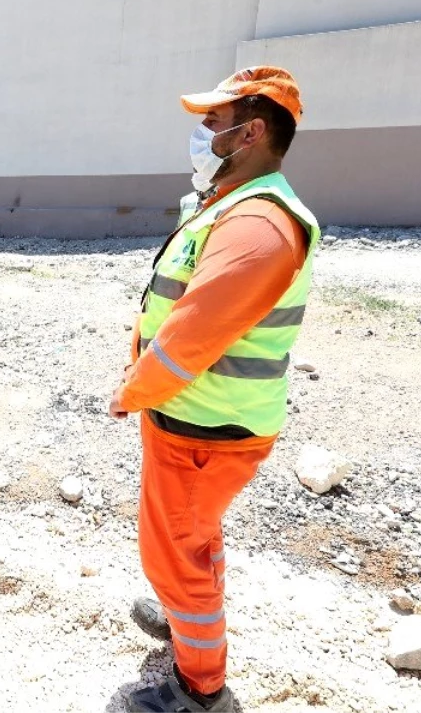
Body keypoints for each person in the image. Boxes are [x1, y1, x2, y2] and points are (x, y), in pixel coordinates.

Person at [108, 67, 317, 713]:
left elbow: (193, 337)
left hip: (206, 428)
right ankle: (183, 614)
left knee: (178, 553)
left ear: (250, 132)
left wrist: (131, 391)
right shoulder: (235, 203)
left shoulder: (262, 222)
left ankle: (199, 688)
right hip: (196, 421)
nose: (201, 135)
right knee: (194, 537)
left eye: (212, 123)